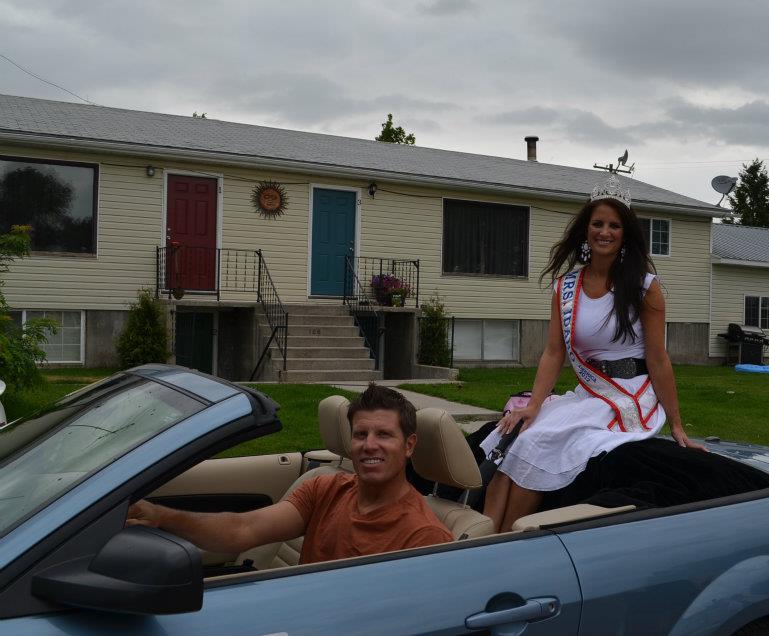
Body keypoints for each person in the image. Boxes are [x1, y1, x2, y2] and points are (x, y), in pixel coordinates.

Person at [481, 174, 706, 533]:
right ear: (586, 230)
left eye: (614, 225)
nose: (605, 232)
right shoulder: (565, 287)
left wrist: (677, 424)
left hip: (629, 397)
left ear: (625, 233)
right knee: (510, 437)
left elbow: (659, 358)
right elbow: (554, 352)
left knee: (537, 442)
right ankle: (482, 537)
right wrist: (535, 404)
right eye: (598, 223)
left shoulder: (645, 287)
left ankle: (509, 540)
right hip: (589, 391)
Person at [127, 384, 452, 565]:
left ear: (409, 445)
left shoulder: (424, 538)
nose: (368, 446)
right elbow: (243, 529)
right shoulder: (326, 488)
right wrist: (161, 517)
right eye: (359, 434)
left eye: (383, 435)